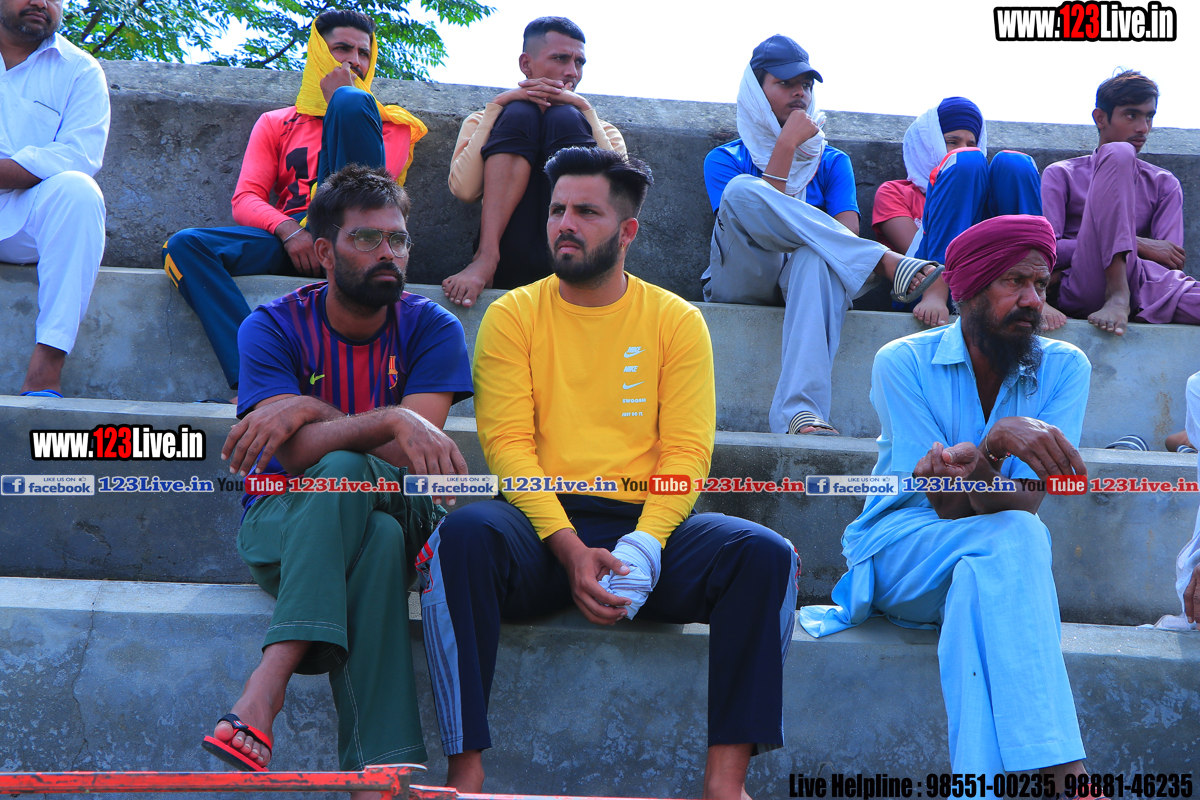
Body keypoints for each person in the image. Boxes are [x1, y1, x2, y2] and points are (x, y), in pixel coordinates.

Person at [418, 147, 800, 800]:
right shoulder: (512, 316)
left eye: (586, 212)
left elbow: (686, 455)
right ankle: (466, 774)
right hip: (538, 530)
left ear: (627, 231)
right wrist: (570, 550)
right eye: (557, 210)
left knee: (766, 556)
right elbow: (509, 450)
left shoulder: (676, 320)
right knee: (461, 538)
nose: (565, 223)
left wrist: (646, 544)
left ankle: (726, 782)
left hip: (645, 530)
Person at [201, 165, 473, 796]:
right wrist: (388, 417)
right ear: (324, 252)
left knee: (352, 474)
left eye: (398, 239)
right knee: (374, 539)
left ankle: (267, 686)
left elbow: (411, 456)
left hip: (406, 506)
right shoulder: (270, 326)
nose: (388, 253)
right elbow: (293, 455)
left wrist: (311, 410)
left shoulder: (433, 327)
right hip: (281, 523)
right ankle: (378, 772)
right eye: (367, 239)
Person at [801, 215, 1096, 780]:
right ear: (970, 290)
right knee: (1012, 542)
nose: (1032, 300)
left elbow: (1026, 502)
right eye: (1014, 282)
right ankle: (1066, 776)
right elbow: (945, 505)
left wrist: (984, 457)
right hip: (903, 551)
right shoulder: (903, 362)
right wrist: (994, 444)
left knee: (978, 585)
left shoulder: (1064, 368)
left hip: (990, 549)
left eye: (1040, 284)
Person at [163, 9, 428, 400]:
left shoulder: (390, 125)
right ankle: (258, 378)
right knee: (184, 246)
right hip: (296, 242)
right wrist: (289, 231)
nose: (355, 61)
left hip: (357, 239)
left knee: (352, 103)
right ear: (318, 52)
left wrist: (342, 100)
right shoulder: (277, 122)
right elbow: (245, 198)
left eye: (364, 53)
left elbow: (372, 192)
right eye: (342, 49)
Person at [702, 34, 940, 436]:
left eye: (806, 85)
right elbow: (755, 221)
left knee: (817, 256)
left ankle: (801, 415)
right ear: (756, 90)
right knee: (742, 191)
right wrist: (786, 144)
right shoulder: (725, 158)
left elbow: (845, 235)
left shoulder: (831, 161)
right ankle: (883, 260)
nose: (800, 93)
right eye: (785, 83)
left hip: (806, 283)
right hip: (744, 276)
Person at [441, 16, 625, 309]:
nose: (572, 72)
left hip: (579, 260)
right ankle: (485, 258)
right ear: (526, 64)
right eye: (561, 58)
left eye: (579, 62)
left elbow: (621, 198)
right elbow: (465, 190)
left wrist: (584, 110)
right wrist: (498, 107)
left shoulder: (602, 129)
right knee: (520, 114)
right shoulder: (486, 120)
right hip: (510, 259)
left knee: (563, 118)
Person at [873, 97, 1066, 330]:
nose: (963, 148)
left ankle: (1032, 287)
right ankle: (936, 288)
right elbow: (910, 258)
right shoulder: (895, 191)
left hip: (994, 283)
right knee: (964, 163)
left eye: (971, 143)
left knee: (1015, 163)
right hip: (926, 282)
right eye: (952, 142)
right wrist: (954, 180)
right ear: (928, 142)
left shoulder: (984, 191)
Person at [0, 0, 109, 398]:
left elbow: (78, 155)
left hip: (26, 217)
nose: (41, 3)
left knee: (79, 192)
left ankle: (46, 368)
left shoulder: (79, 69)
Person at [1042, 70, 1198, 336]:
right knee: (1118, 152)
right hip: (1085, 283)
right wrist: (1139, 244)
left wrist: (1135, 251)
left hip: (1148, 287)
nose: (1143, 128)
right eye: (1131, 115)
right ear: (1100, 118)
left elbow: (1168, 259)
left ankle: (1124, 298)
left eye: (1149, 117)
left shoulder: (1163, 183)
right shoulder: (1062, 174)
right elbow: (1049, 251)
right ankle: (1117, 295)